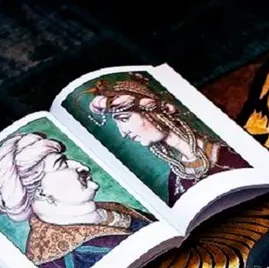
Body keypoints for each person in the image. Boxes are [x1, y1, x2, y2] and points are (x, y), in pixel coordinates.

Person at [0, 131, 150, 268]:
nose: (82, 166)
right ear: (41, 193)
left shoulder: (112, 210)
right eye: (61, 164)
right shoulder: (58, 265)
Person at [85, 74, 247, 205]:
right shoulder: (176, 178)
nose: (123, 133)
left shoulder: (230, 152)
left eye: (125, 119)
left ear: (152, 111)